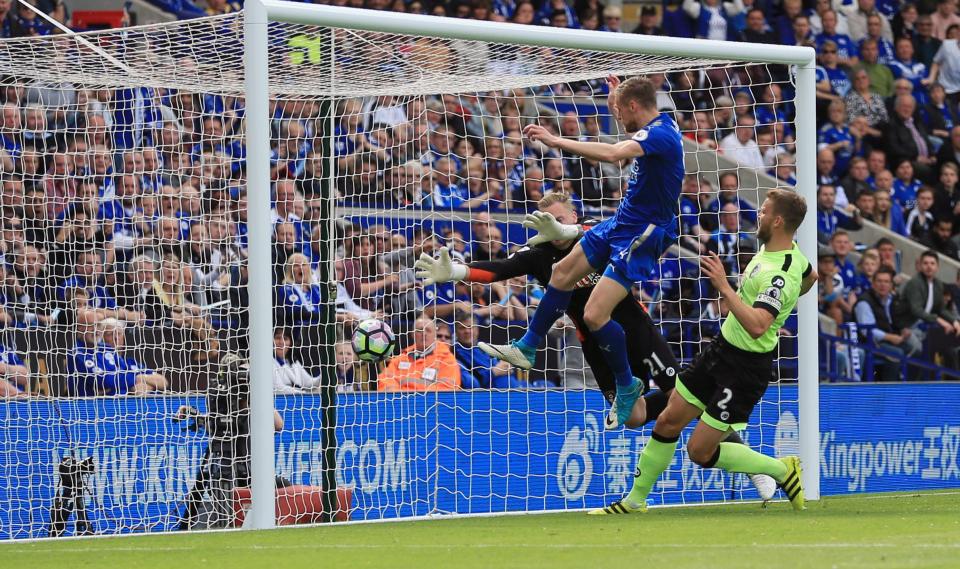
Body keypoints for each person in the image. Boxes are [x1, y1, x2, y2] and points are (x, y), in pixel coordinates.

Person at [474, 76, 684, 429]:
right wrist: (613, 96)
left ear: (633, 106)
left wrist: (555, 140)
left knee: (595, 314)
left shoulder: (661, 135)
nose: (616, 117)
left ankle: (628, 383)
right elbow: (630, 117)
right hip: (621, 223)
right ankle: (527, 346)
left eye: (619, 111)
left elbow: (616, 154)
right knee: (561, 274)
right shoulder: (659, 123)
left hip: (645, 232)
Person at [590, 189, 816, 515]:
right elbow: (812, 276)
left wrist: (724, 286)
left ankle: (783, 470)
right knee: (667, 420)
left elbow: (757, 325)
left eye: (764, 212)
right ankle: (633, 501)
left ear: (778, 220)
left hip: (744, 368)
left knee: (699, 451)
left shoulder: (778, 275)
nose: (758, 217)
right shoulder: (790, 257)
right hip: (719, 351)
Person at [853, 266, 922, 380]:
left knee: (915, 350)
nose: (883, 285)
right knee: (897, 353)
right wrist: (890, 337)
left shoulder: (891, 300)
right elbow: (867, 331)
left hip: (889, 340)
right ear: (873, 283)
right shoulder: (864, 302)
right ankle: (890, 390)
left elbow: (895, 321)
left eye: (886, 282)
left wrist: (903, 330)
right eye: (879, 281)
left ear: (891, 285)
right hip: (869, 342)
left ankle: (910, 388)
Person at [901, 250, 960, 368]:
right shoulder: (915, 283)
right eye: (926, 263)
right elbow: (916, 310)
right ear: (920, 266)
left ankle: (952, 382)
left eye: (932, 263)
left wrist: (954, 321)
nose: (929, 267)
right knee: (932, 345)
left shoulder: (938, 284)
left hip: (927, 327)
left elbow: (941, 309)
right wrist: (939, 320)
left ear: (937, 266)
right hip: (909, 326)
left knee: (951, 343)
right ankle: (928, 380)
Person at [378, 315, 461, 391]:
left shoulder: (447, 360)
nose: (424, 334)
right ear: (412, 334)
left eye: (428, 330)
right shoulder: (401, 358)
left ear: (435, 335)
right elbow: (385, 381)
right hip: (400, 404)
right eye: (419, 330)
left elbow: (447, 390)